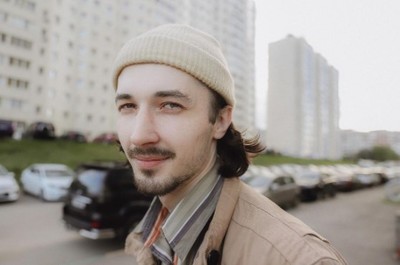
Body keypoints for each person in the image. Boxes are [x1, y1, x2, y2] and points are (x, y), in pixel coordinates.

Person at [112, 24, 347, 265]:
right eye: (128, 107)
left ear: (221, 121)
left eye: (171, 105)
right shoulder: (152, 235)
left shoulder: (299, 259)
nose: (139, 136)